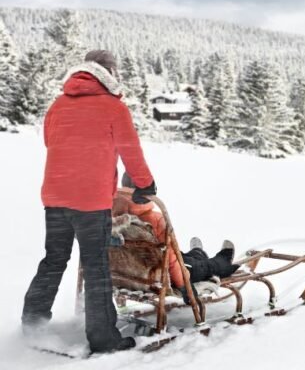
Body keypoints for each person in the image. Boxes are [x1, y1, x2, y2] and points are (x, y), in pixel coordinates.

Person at [22, 50, 157, 353]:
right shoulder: (113, 107)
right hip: (91, 201)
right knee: (96, 265)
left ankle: (32, 324)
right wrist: (145, 184)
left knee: (54, 260)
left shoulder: (58, 104)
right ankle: (103, 338)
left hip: (55, 197)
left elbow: (50, 141)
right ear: (108, 72)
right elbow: (130, 150)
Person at [114, 173, 239, 304]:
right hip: (160, 276)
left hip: (130, 274)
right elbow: (171, 257)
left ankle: (197, 252)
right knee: (202, 266)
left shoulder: (114, 218)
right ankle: (223, 259)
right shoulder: (154, 219)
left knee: (185, 258)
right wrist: (184, 286)